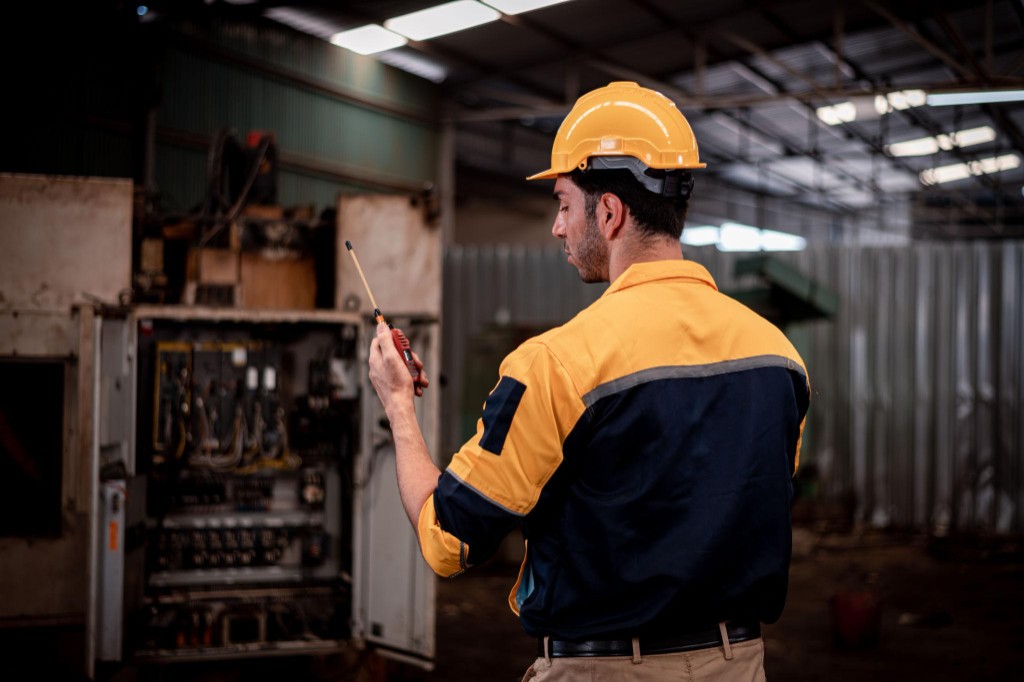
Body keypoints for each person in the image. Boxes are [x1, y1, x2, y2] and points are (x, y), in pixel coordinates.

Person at [368, 81, 810, 682]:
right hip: (740, 665)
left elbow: (449, 540)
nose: (557, 227)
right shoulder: (780, 358)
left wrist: (398, 405)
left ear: (610, 212)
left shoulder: (557, 364)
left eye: (564, 204)